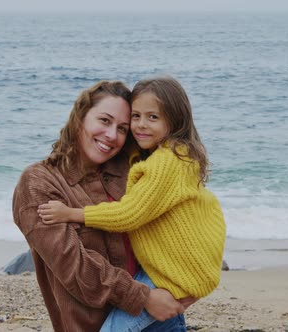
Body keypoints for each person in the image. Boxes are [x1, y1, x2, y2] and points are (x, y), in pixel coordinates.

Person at [38, 76, 227, 331]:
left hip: (164, 276)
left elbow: (130, 213)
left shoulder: (165, 163)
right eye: (135, 117)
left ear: (175, 120)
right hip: (166, 271)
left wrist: (73, 214)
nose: (140, 126)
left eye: (153, 117)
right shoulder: (171, 157)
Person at [12, 80, 189, 332]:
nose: (111, 135)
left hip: (159, 320)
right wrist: (144, 297)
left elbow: (181, 222)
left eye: (122, 128)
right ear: (80, 118)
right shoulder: (38, 182)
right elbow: (74, 266)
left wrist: (188, 288)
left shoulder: (134, 170)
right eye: (104, 121)